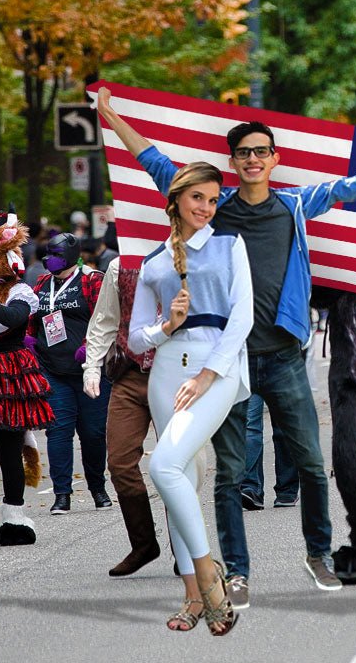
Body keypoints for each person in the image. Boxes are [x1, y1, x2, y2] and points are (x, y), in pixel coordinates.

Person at [97, 86, 356, 605]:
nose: (254, 159)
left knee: (308, 462)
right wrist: (110, 116)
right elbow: (154, 162)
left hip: (283, 357)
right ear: (233, 162)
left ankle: (319, 555)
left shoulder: (295, 205)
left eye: (262, 151)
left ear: (275, 158)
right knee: (231, 475)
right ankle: (236, 571)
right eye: (244, 153)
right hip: (227, 362)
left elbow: (352, 186)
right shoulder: (214, 209)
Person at [129, 161, 250, 634]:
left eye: (213, 199)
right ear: (177, 199)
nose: (206, 207)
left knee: (163, 465)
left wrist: (206, 374)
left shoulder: (229, 244)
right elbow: (136, 339)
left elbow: (242, 317)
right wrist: (167, 326)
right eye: (198, 197)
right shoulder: (154, 262)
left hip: (214, 369)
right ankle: (192, 599)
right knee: (180, 479)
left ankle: (209, 579)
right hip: (165, 372)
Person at [0, 210, 51, 548]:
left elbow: (11, 320)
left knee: (9, 450)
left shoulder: (19, 291)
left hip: (7, 373)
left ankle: (14, 517)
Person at [82, 257, 162, 576]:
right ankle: (143, 543)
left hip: (174, 376)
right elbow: (104, 321)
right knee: (119, 461)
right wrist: (91, 366)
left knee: (176, 464)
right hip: (129, 376)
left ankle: (187, 547)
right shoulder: (120, 266)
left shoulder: (191, 257)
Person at [30, 233, 111, 515]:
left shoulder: (92, 280)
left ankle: (98, 488)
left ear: (70, 254)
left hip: (91, 370)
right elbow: (33, 318)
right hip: (53, 370)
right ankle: (62, 493)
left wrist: (90, 348)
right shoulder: (42, 283)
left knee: (93, 433)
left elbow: (107, 319)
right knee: (58, 432)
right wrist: (30, 340)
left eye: (55, 253)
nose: (48, 258)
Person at [240, 392, 299, 510]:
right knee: (250, 425)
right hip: (252, 374)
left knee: (282, 427)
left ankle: (287, 491)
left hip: (282, 374)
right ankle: (251, 488)